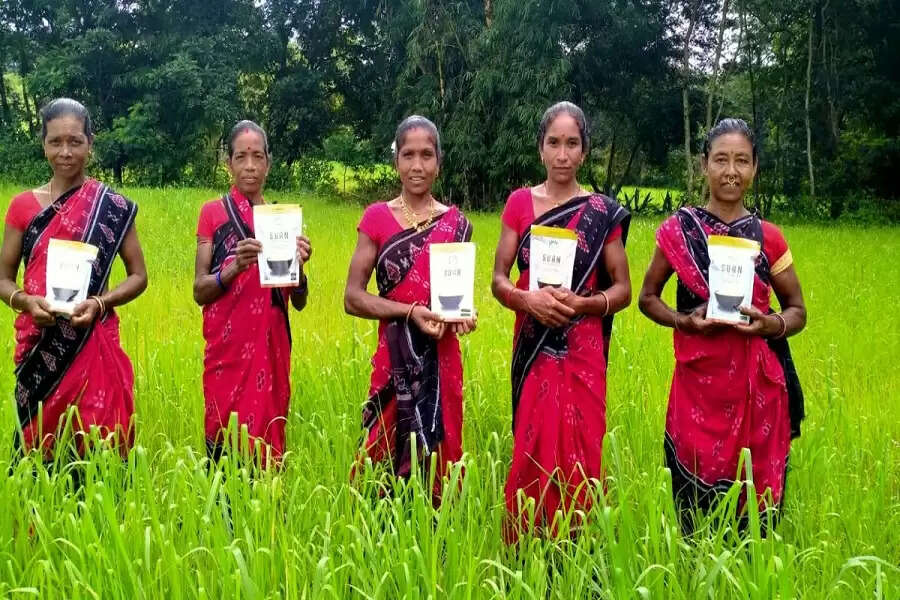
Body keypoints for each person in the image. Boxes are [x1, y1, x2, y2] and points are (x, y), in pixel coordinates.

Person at [638, 118, 807, 534]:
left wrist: (769, 325)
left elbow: (797, 310)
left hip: (758, 391)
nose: (731, 170)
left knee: (755, 519)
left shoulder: (770, 238)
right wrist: (684, 321)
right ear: (704, 166)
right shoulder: (680, 231)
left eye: (742, 161)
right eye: (721, 160)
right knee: (694, 513)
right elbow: (647, 298)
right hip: (699, 386)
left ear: (755, 169)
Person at [491, 102, 631, 542]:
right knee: (532, 439)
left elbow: (623, 289)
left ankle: (578, 542)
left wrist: (584, 304)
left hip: (582, 344)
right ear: (541, 149)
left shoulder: (601, 211)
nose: (563, 154)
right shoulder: (519, 204)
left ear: (585, 151)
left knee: (583, 442)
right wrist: (526, 300)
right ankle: (525, 541)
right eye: (554, 143)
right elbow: (498, 280)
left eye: (572, 144)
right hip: (534, 340)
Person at [0, 98, 147, 458]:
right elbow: (3, 278)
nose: (65, 151)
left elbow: (139, 276)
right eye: (55, 142)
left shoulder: (111, 206)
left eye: (75, 141)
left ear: (90, 143)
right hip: (40, 344)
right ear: (43, 144)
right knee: (39, 455)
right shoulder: (23, 207)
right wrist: (24, 301)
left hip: (94, 339)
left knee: (103, 451)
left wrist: (101, 302)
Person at [344, 116, 476, 501]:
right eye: (408, 155)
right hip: (393, 359)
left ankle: (434, 543)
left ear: (439, 160)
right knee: (378, 460)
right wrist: (408, 311)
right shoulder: (377, 218)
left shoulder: (457, 224)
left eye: (426, 155)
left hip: (442, 359)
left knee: (440, 462)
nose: (417, 165)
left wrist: (465, 316)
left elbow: (456, 298)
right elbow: (353, 297)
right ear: (396, 161)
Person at [193, 120, 312, 466]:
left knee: (266, 448)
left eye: (257, 156)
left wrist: (301, 267)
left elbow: (299, 302)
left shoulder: (281, 219)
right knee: (223, 440)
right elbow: (200, 290)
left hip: (271, 345)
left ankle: (265, 513)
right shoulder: (213, 214)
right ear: (228, 163)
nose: (250, 166)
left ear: (268, 163)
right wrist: (234, 267)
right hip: (227, 350)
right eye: (241, 157)